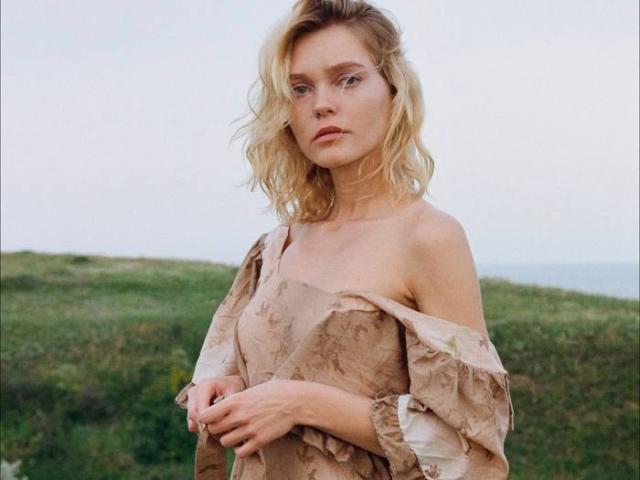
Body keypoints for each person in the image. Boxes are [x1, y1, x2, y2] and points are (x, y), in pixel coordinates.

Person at [175, 1, 514, 478]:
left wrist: (299, 402)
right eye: (300, 88)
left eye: (348, 79)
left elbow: (470, 446)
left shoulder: (428, 238)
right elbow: (267, 377)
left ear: (394, 90)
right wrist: (233, 388)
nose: (322, 104)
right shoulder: (277, 245)